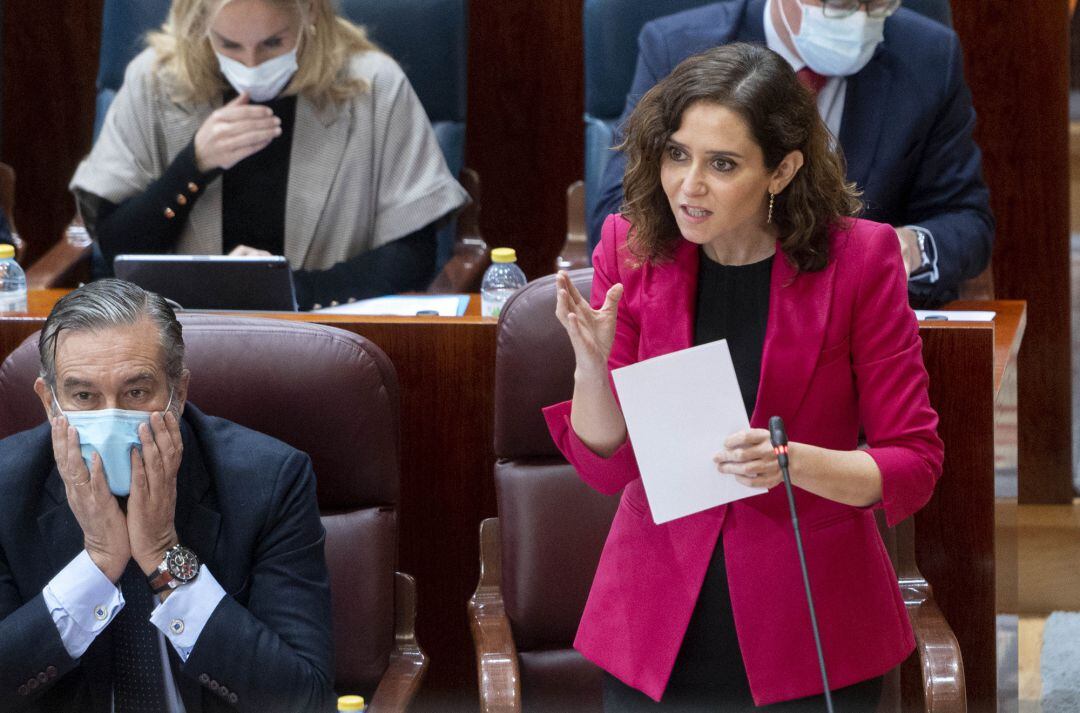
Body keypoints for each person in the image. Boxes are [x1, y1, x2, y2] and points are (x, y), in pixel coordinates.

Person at [544, 44, 944, 710]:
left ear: (782, 169)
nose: (688, 186)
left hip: (808, 621)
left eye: (722, 164)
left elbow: (914, 462)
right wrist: (590, 366)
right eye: (677, 154)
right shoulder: (631, 247)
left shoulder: (861, 261)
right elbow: (608, 469)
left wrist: (792, 463)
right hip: (657, 622)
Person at [0, 279, 335, 712]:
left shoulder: (269, 481)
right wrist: (97, 564)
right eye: (83, 395)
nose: (109, 418)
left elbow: (302, 699)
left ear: (178, 393)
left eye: (136, 393)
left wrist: (165, 557)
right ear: (49, 402)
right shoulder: (7, 488)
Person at [589, 0, 993, 308]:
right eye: (838, 6)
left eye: (876, 5)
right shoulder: (679, 48)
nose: (858, 19)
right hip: (709, 309)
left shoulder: (928, 58)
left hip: (857, 321)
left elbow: (967, 221)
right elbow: (619, 212)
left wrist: (910, 246)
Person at [70, 0, 468, 310]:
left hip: (326, 334)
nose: (251, 63)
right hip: (180, 340)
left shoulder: (373, 84)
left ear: (309, 11)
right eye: (229, 44)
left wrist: (288, 291)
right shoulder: (154, 79)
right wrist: (192, 167)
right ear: (200, 22)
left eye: (273, 43)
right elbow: (116, 244)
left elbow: (412, 255)